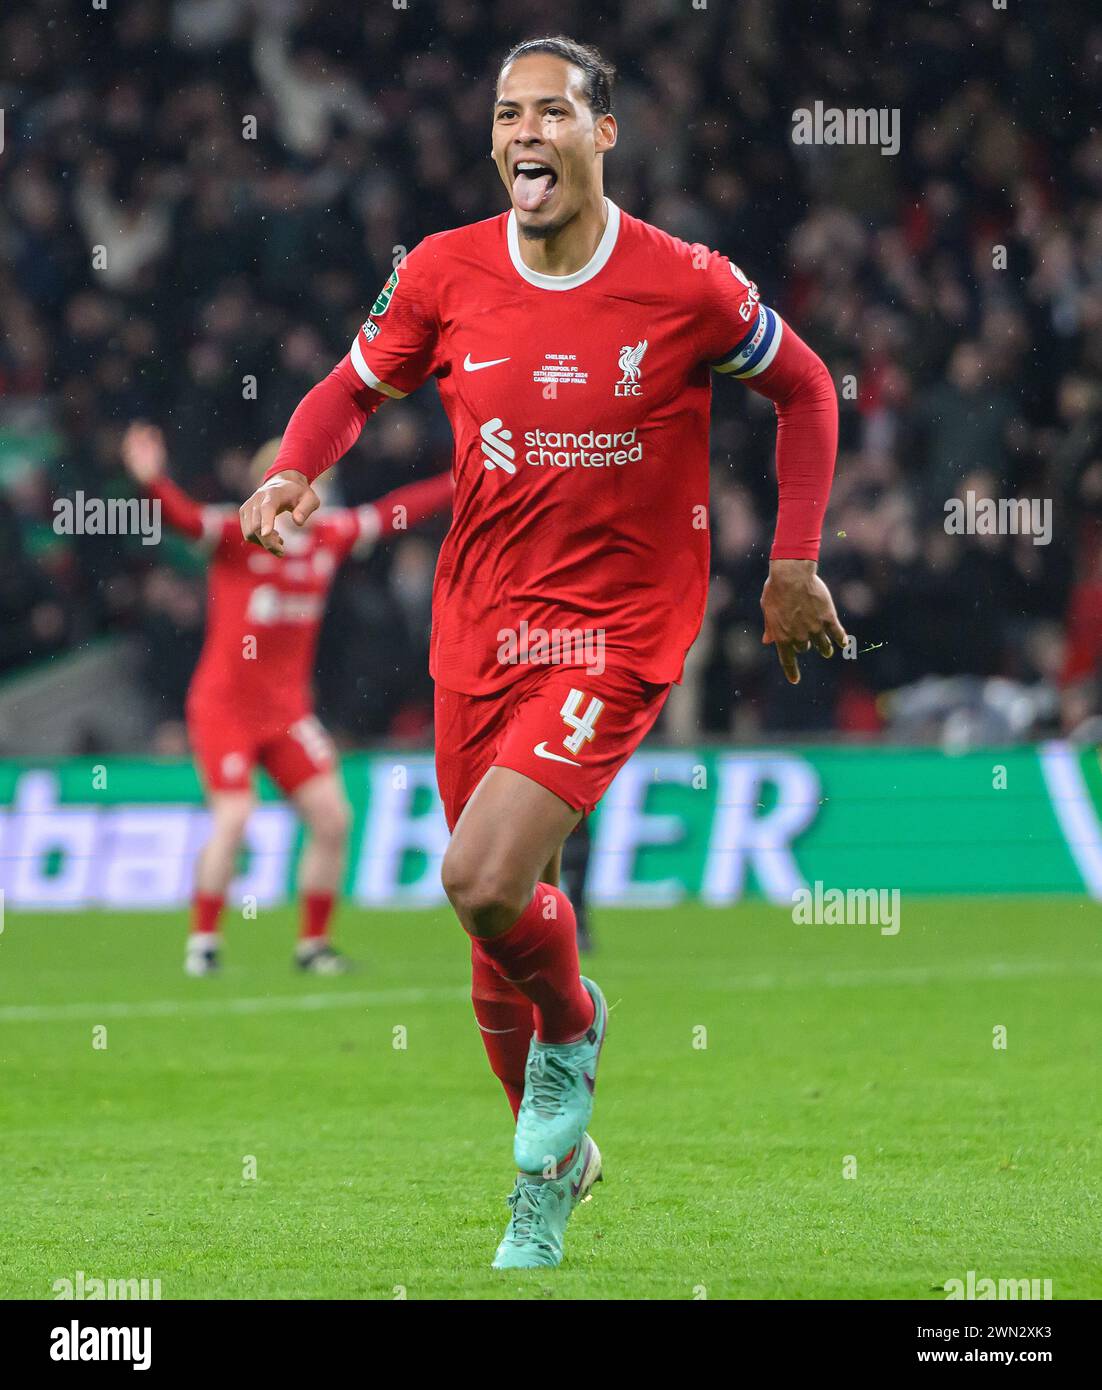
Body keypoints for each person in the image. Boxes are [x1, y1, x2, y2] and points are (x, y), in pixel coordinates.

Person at [237, 35, 845, 1267]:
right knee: (489, 943)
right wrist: (298, 466)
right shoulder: (441, 271)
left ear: (602, 133)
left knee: (479, 880)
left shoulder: (686, 283)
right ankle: (551, 1172)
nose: (527, 132)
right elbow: (350, 389)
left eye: (553, 112)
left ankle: (576, 1022)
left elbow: (808, 389)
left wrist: (792, 560)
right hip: (480, 627)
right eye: (509, 113)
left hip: (617, 629)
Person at [121, 422, 452, 977]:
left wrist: (460, 479)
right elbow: (182, 519)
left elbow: (396, 511)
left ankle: (313, 946)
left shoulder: (329, 537)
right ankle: (203, 945)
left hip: (287, 713)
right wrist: (152, 480)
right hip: (225, 707)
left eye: (322, 481)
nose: (319, 492)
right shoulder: (238, 534)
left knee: (333, 818)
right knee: (234, 817)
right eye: (309, 480)